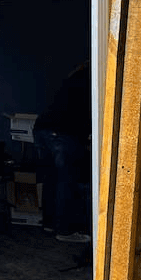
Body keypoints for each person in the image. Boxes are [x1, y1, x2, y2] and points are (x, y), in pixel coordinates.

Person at [33, 61, 91, 243]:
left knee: (52, 179)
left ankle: (49, 224)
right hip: (61, 134)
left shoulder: (70, 80)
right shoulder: (90, 80)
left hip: (42, 130)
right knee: (67, 181)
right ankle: (65, 230)